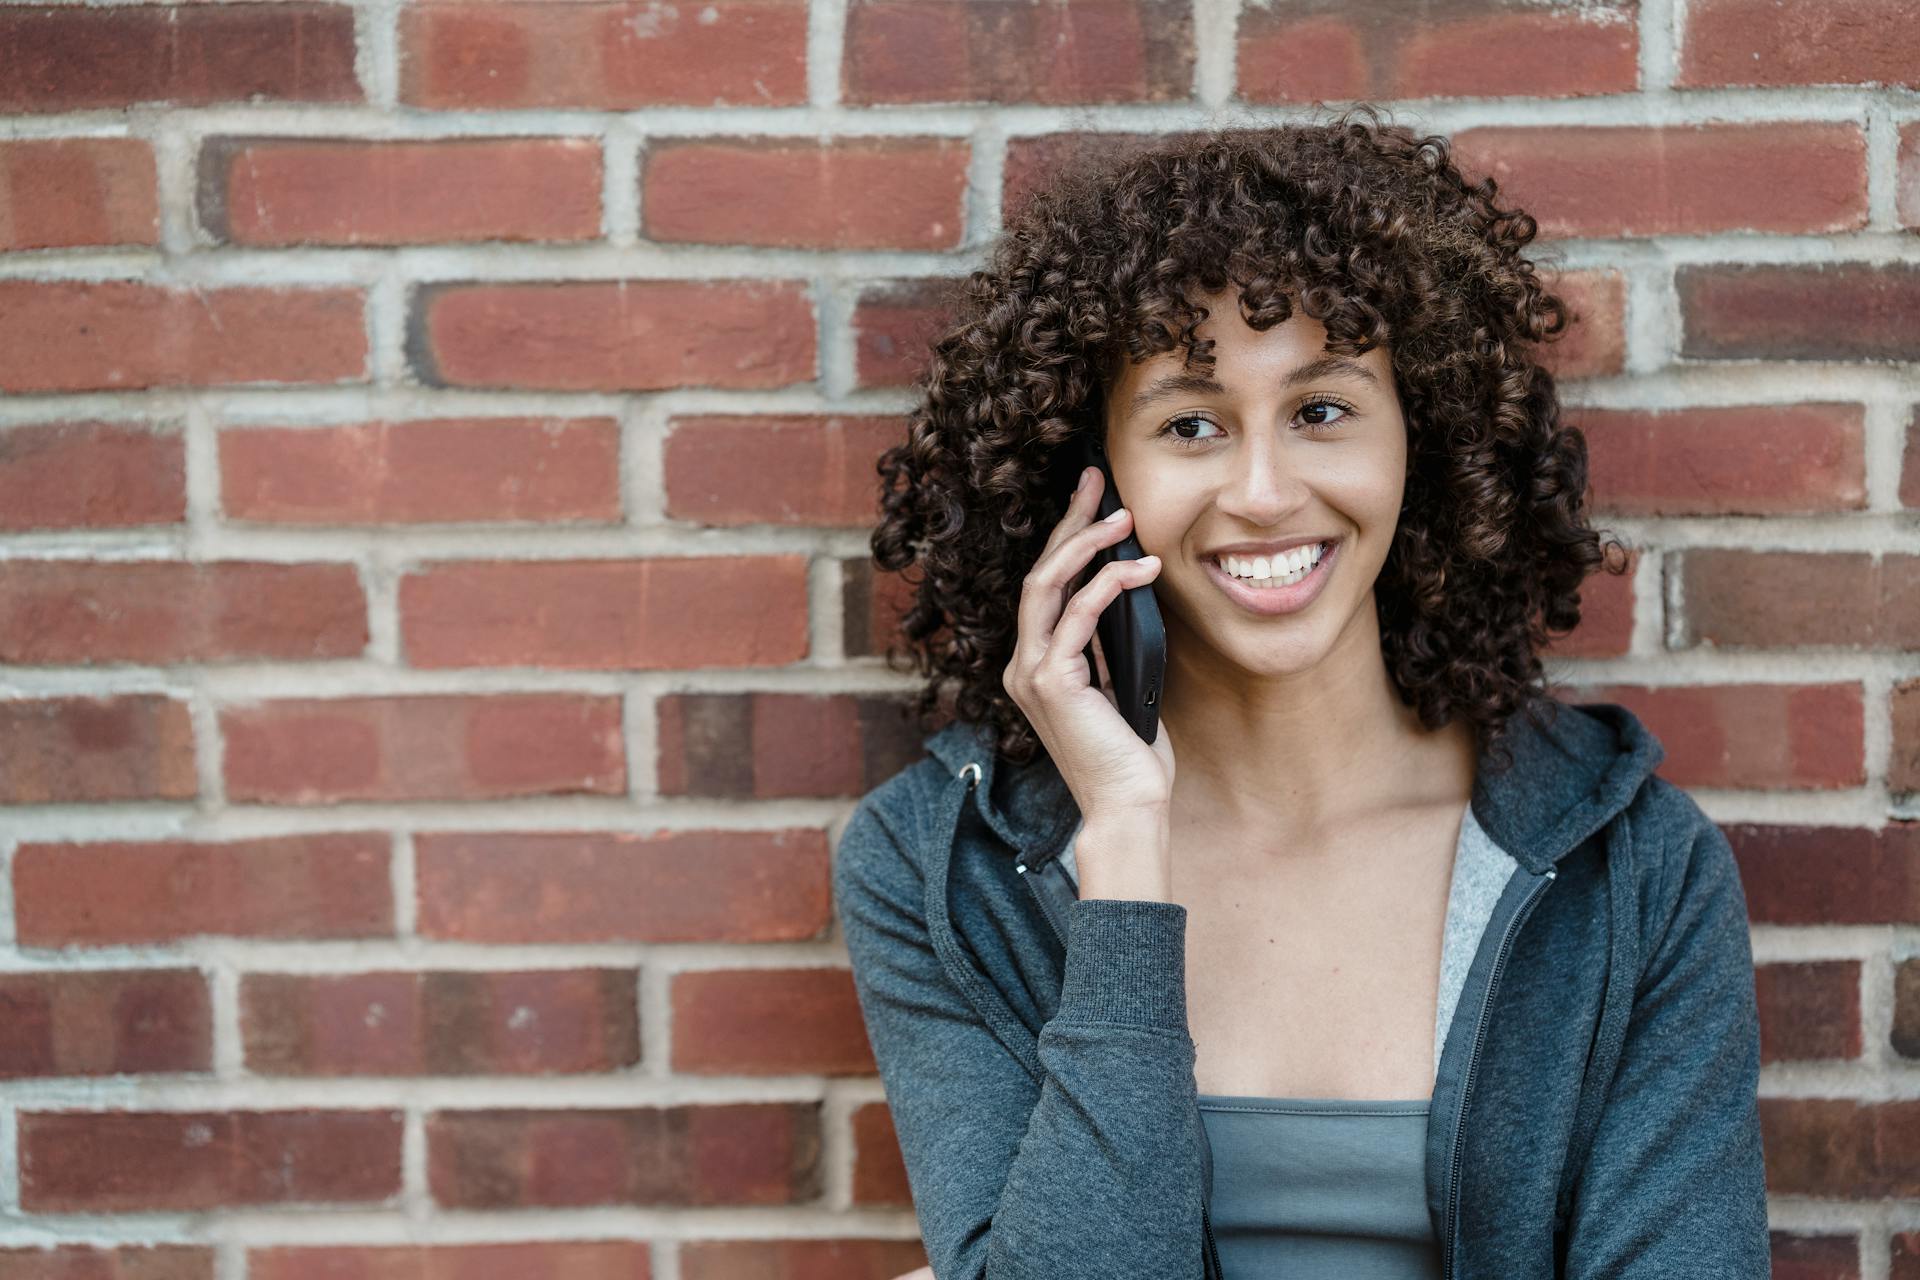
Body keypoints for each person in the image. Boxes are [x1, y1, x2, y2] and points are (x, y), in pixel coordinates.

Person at [833, 104, 1770, 1278]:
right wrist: (1123, 847)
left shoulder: (1630, 872)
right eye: (1191, 422)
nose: (1266, 491)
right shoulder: (940, 866)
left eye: (1321, 409)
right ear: (1093, 479)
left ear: (1415, 435)